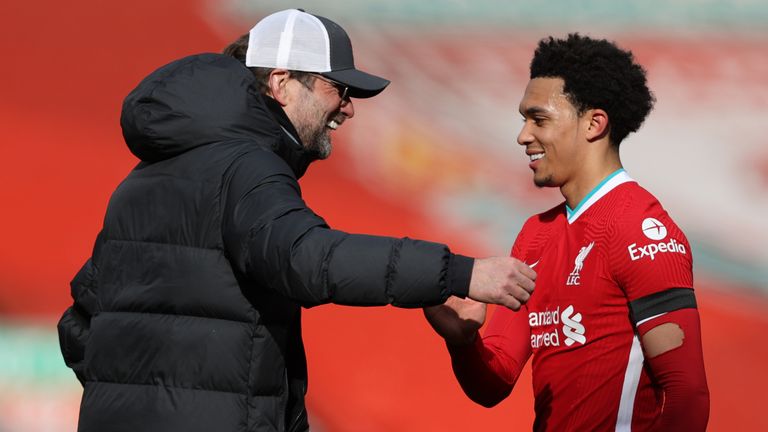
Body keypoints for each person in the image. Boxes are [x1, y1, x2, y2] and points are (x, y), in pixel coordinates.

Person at [56, 8, 536, 432]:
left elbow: (79, 324)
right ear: (281, 83)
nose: (347, 108)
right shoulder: (246, 165)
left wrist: (141, 398)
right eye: (338, 88)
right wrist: (460, 273)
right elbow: (309, 259)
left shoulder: (149, 174)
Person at [424, 33, 710, 431]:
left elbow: (686, 394)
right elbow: (495, 380)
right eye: (523, 119)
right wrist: (463, 342)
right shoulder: (534, 235)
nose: (522, 135)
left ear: (594, 123)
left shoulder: (641, 230)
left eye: (538, 119)